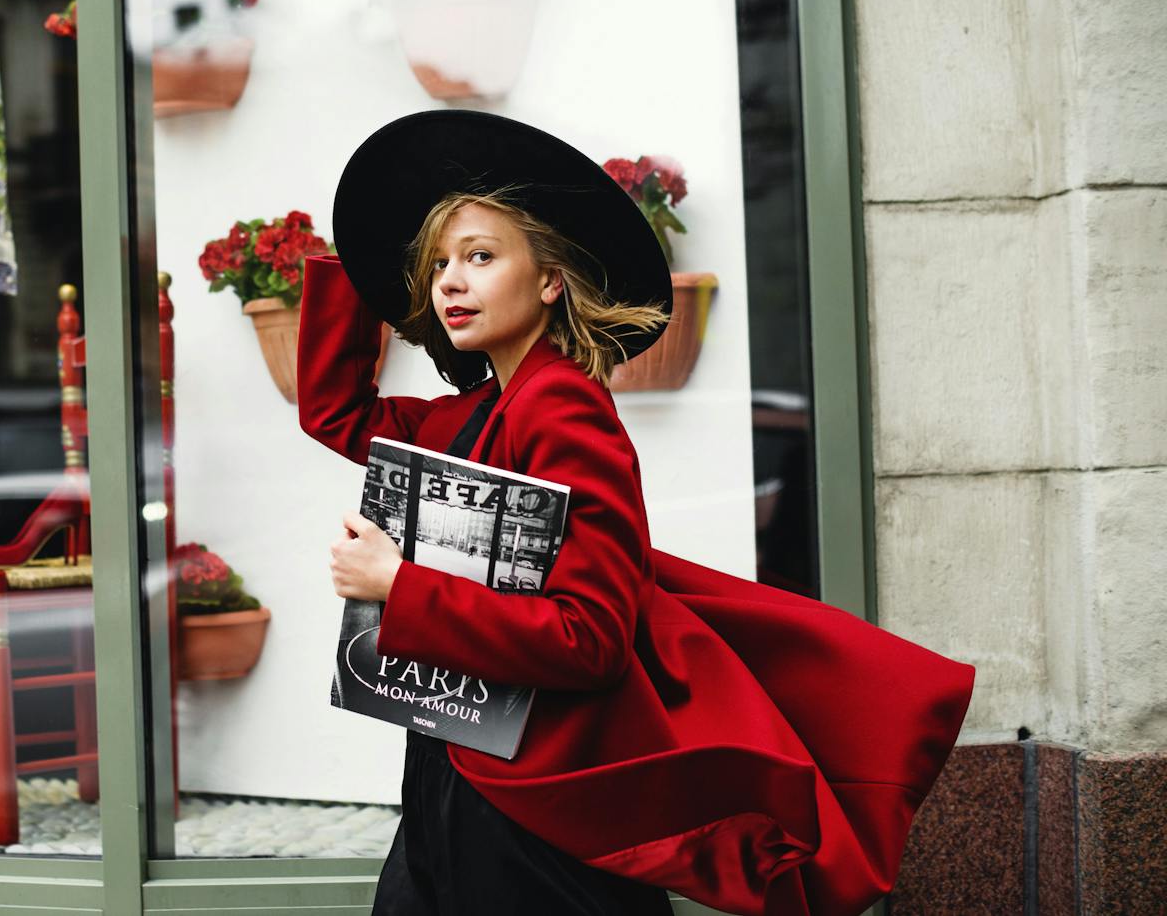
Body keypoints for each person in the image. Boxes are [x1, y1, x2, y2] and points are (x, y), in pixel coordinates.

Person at [296, 110, 976, 916]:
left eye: (480, 257)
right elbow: (334, 412)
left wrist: (398, 586)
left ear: (550, 280)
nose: (449, 280)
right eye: (439, 263)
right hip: (453, 768)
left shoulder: (564, 412)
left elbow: (590, 639)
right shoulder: (469, 416)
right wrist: (362, 256)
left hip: (533, 806)